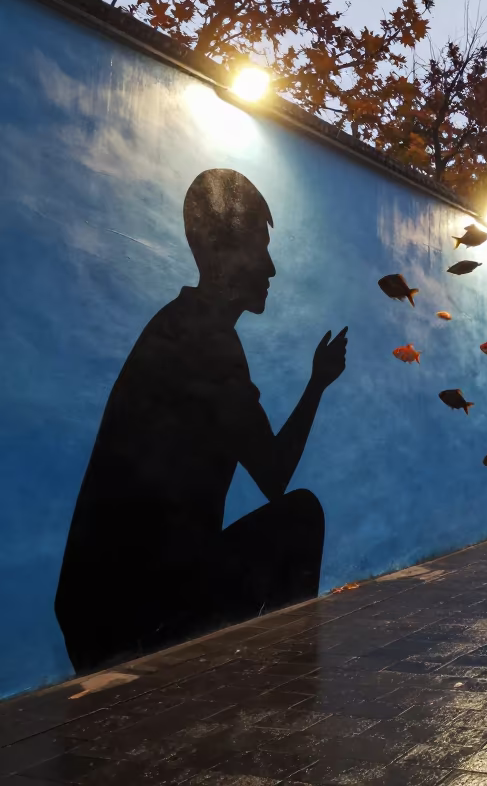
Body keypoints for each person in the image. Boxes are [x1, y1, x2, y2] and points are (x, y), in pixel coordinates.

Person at [54, 170, 348, 672]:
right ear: (218, 253)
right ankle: (288, 697)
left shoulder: (180, 325)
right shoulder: (205, 341)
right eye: (260, 249)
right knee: (301, 517)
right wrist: (318, 383)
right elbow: (274, 475)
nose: (272, 269)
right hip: (132, 607)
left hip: (101, 602)